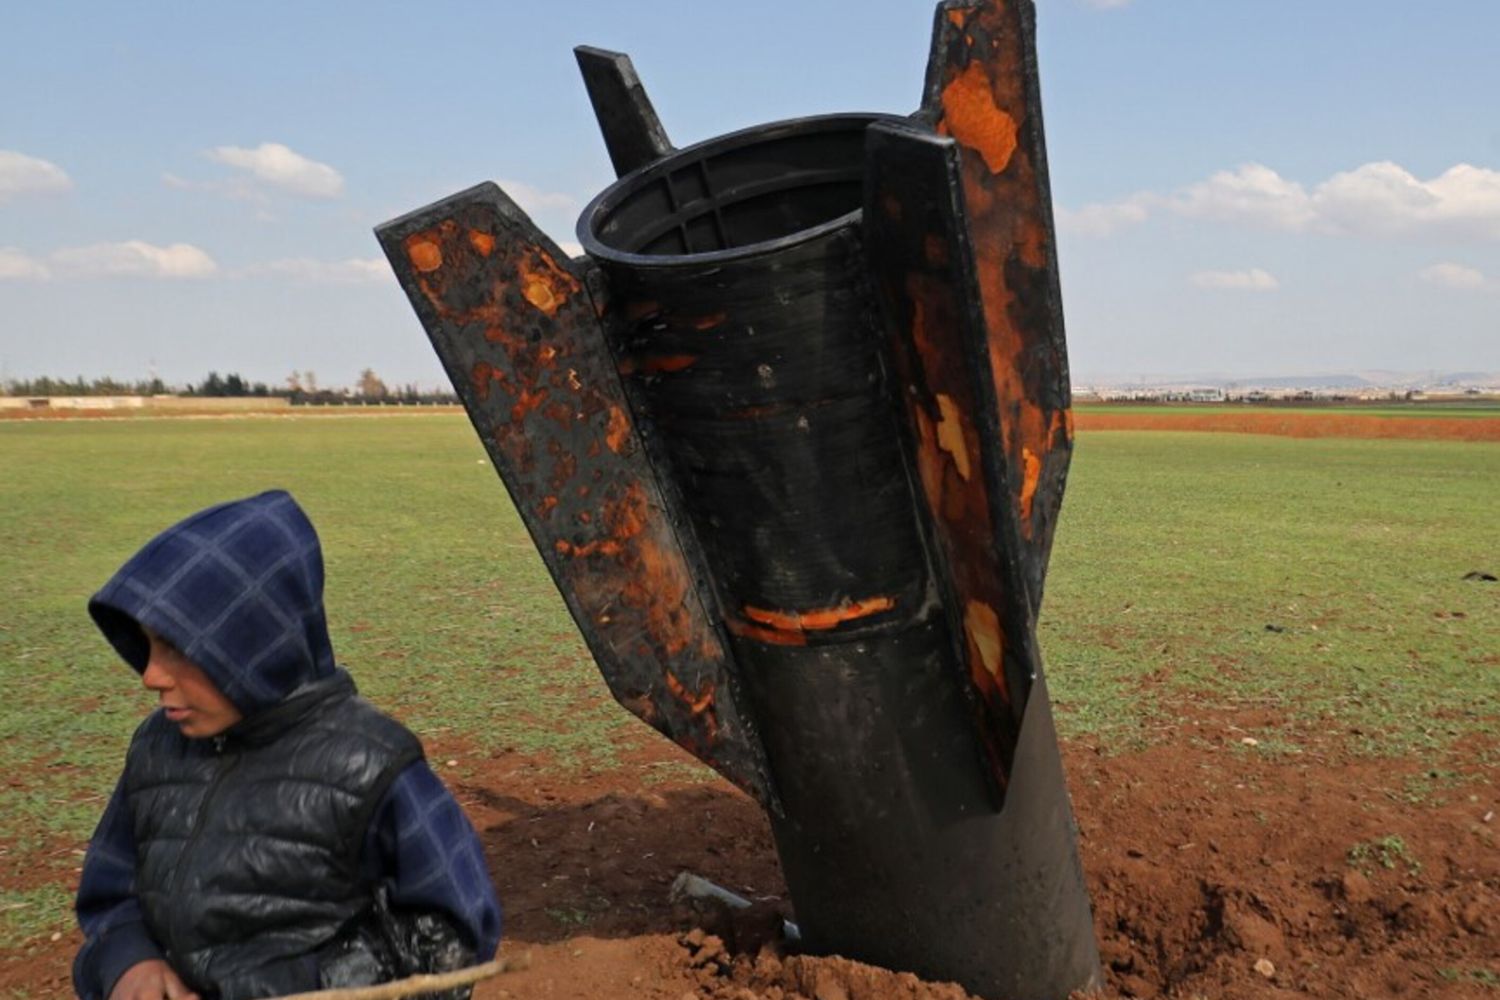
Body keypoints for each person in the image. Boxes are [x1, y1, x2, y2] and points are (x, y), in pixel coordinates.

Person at [73, 490, 502, 1000]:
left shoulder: (371, 766)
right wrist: (128, 963)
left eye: (175, 648)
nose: (150, 674)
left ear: (252, 646)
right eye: (146, 645)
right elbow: (110, 895)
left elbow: (451, 943)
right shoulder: (157, 750)